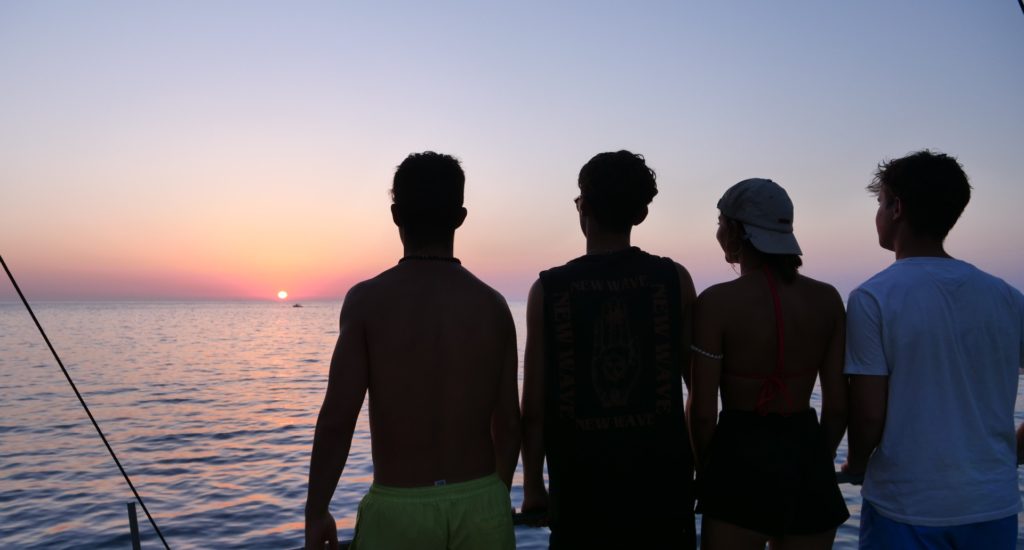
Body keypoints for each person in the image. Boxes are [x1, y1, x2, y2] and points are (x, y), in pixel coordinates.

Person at [304, 152, 521, 550]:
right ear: (460, 216)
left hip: (399, 510)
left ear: (395, 215)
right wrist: (495, 495)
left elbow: (337, 418)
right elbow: (508, 424)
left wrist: (316, 511)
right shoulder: (493, 306)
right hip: (481, 501)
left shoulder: (367, 302)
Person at [843, 150, 1024, 548]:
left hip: (905, 506)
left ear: (897, 209)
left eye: (880, 202)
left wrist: (856, 464)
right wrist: (1014, 449)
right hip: (993, 504)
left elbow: (870, 412)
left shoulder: (873, 298)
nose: (877, 212)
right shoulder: (1008, 298)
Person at [520, 150, 697, 549]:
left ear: (583, 206)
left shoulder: (549, 289)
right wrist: (704, 464)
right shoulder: (674, 279)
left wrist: (533, 486)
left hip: (580, 491)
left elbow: (534, 408)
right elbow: (697, 391)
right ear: (641, 214)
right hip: (663, 489)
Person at [688, 178, 849, 549]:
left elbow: (701, 411)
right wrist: (813, 462)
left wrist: (706, 468)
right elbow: (838, 407)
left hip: (737, 457)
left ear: (736, 231)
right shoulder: (827, 300)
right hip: (807, 452)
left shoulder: (717, 303)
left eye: (720, 223)